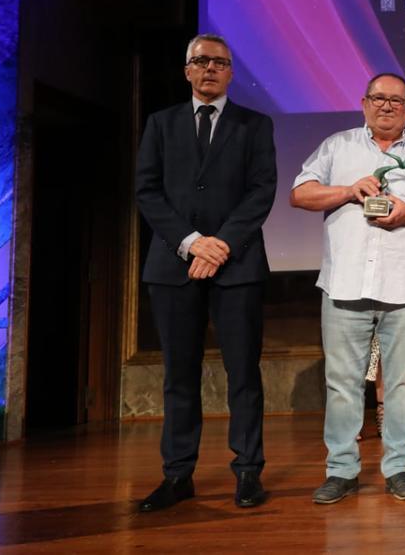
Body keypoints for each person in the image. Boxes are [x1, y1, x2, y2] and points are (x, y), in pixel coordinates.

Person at [291, 72, 405, 503]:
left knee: (404, 383)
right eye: (378, 98)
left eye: (396, 101)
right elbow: (301, 193)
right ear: (364, 103)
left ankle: (399, 468)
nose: (386, 106)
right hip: (344, 283)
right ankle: (341, 470)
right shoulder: (338, 147)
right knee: (341, 383)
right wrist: (349, 191)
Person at [134, 33, 277, 511]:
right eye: (201, 61)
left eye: (219, 62)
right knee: (179, 375)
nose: (210, 68)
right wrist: (193, 242)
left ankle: (248, 473)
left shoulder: (255, 125)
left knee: (243, 374)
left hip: (237, 267)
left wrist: (221, 245)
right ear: (186, 70)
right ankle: (177, 476)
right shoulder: (160, 124)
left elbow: (261, 191)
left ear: (231, 72)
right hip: (172, 266)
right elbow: (147, 191)